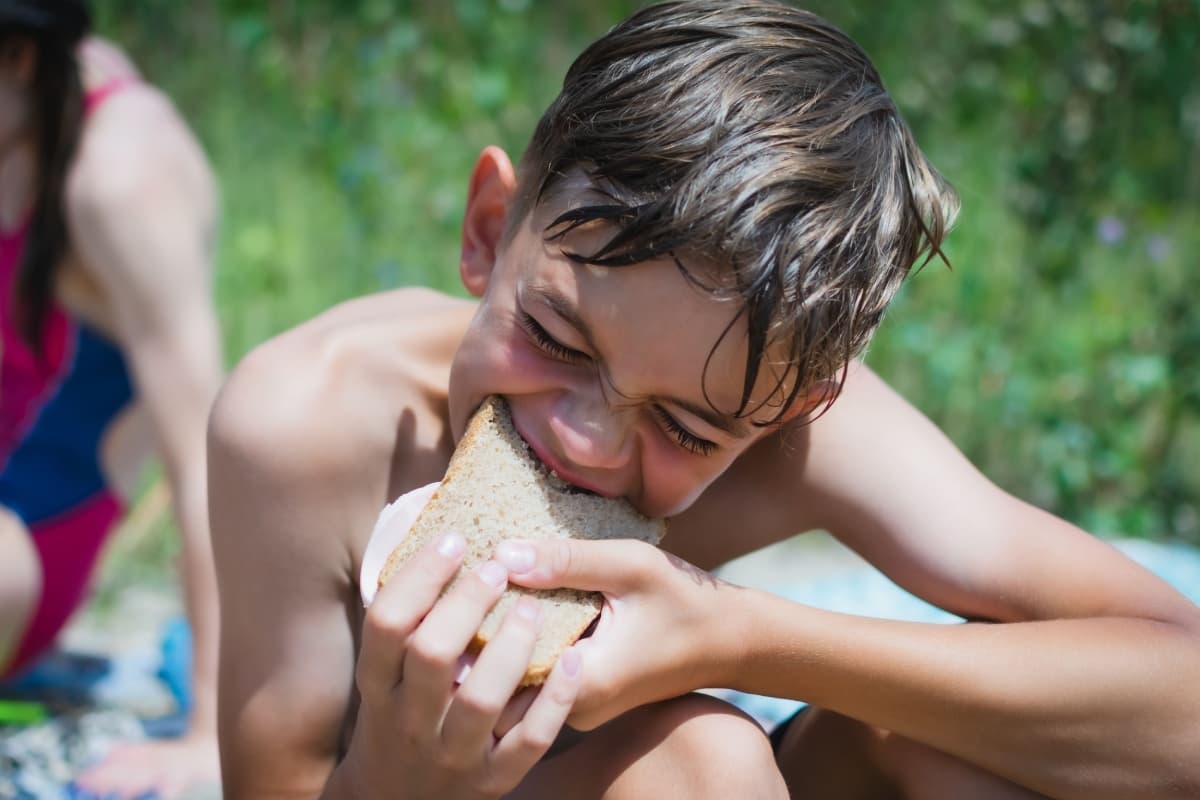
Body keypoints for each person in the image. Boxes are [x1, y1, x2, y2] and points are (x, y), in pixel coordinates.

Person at [209, 2, 1200, 798]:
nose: (584, 440)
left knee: (946, 740)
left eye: (687, 427)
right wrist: (398, 775)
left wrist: (740, 633)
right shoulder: (311, 423)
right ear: (488, 227)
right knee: (707, 763)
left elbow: (1180, 706)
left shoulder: (787, 412)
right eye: (555, 338)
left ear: (794, 408)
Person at [0, 1, 223, 796]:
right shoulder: (38, 95)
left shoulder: (120, 181)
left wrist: (210, 731)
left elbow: (206, 454)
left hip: (23, 537)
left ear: (21, 57)